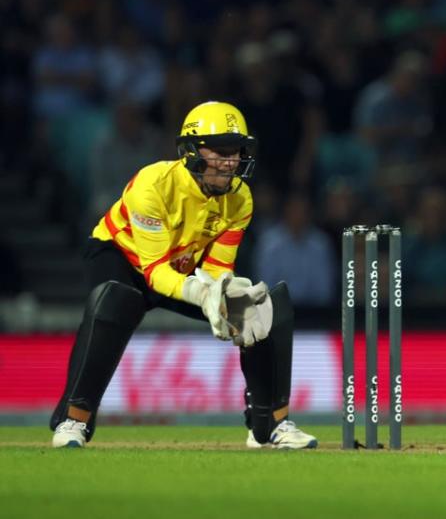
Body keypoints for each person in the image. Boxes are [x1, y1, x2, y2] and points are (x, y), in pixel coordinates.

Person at [49, 101, 317, 450]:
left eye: (235, 151)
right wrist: (204, 295)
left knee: (261, 308)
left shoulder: (240, 200)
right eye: (219, 150)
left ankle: (270, 427)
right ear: (190, 151)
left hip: (183, 263)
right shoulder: (153, 185)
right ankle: (74, 420)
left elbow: (219, 267)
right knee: (115, 301)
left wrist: (221, 293)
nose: (230, 161)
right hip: (123, 257)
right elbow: (154, 271)